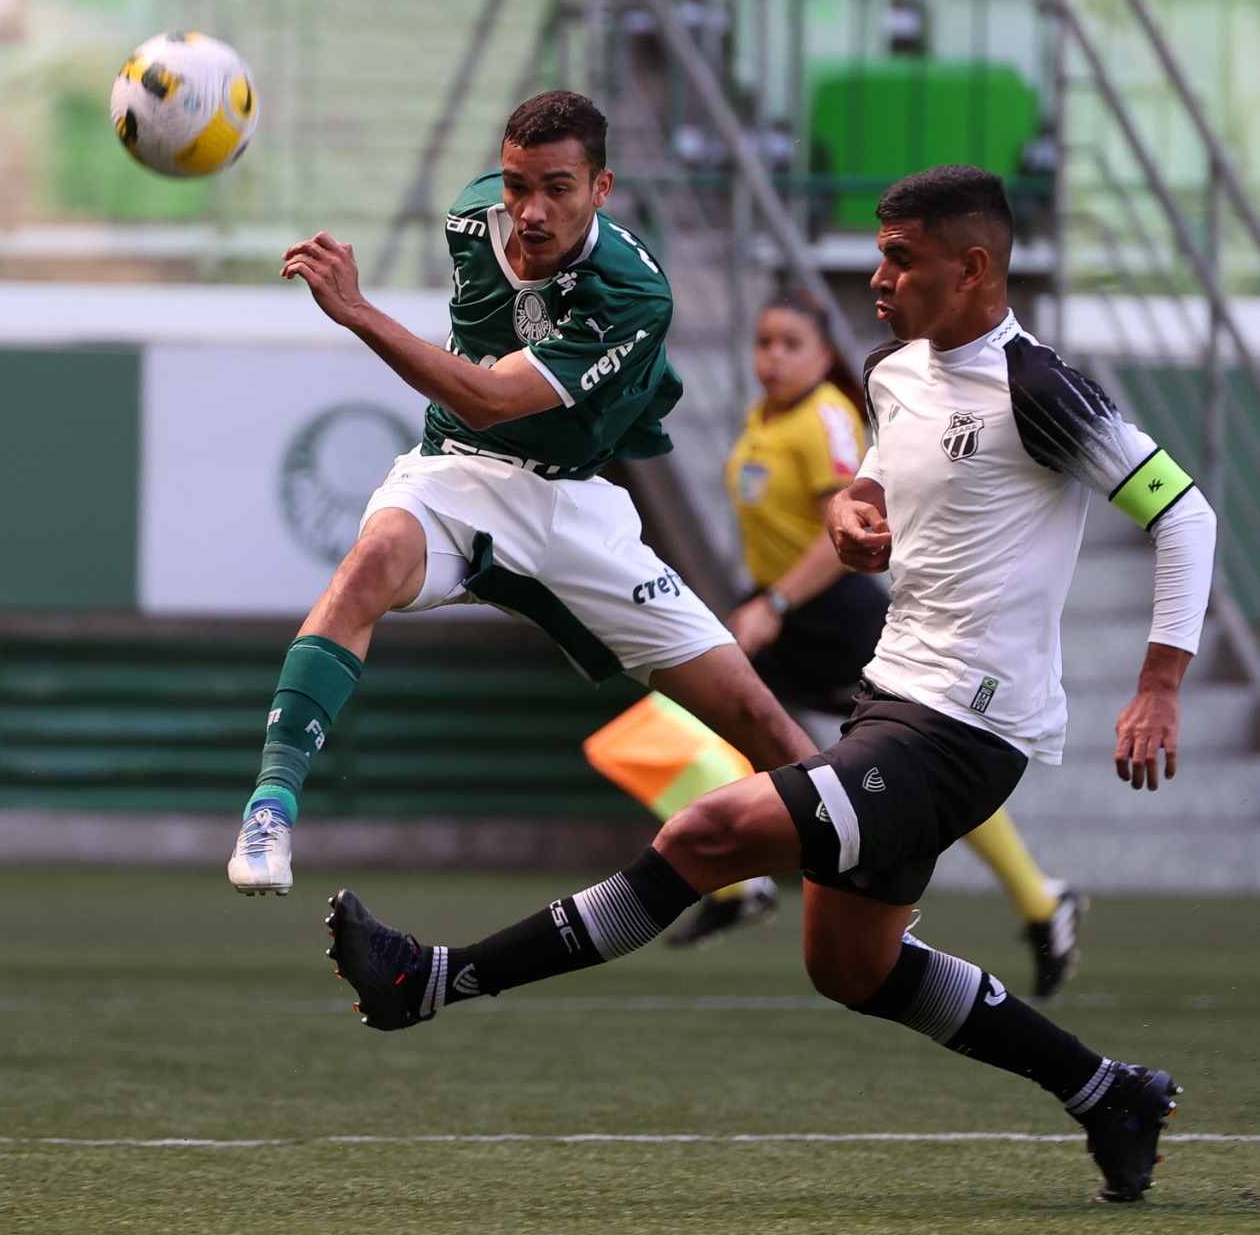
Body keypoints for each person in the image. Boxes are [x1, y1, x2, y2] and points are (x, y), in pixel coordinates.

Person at [323, 165, 1217, 1205]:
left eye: (899, 257)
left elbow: (1181, 514)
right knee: (851, 967)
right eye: (878, 253)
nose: (876, 277)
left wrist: (1157, 683)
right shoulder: (888, 374)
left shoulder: (1039, 389)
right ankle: (1106, 1089)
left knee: (703, 834)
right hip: (886, 701)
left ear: (972, 267)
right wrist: (853, 517)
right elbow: (875, 490)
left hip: (968, 730)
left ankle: (428, 980)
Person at [226, 90, 817, 895]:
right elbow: (477, 407)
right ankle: (270, 810)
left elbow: (496, 396)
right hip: (455, 471)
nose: (530, 210)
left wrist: (359, 312)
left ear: (601, 189)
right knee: (369, 564)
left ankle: (869, 864)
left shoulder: (633, 293)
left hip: (574, 506)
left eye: (557, 189)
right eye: (516, 184)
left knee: (759, 722)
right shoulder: (474, 219)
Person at [658, 290, 1085, 997]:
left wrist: (775, 602)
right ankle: (747, 886)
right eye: (764, 342)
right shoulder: (760, 418)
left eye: (791, 344)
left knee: (911, 758)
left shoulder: (827, 417)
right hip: (777, 615)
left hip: (831, 613)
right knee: (682, 722)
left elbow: (848, 528)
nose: (772, 357)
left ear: (823, 356)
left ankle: (1041, 900)